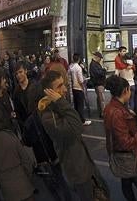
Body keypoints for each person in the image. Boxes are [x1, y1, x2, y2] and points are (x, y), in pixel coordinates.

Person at [38, 70, 101, 201]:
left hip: (84, 163)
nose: (65, 89)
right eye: (59, 86)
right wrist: (61, 101)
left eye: (64, 84)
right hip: (76, 169)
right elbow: (77, 126)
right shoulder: (48, 116)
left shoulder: (58, 107)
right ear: (49, 92)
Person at [104, 75, 137, 201]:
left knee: (126, 182)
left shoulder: (111, 107)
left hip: (119, 153)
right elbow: (126, 142)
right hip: (129, 155)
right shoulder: (118, 112)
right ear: (125, 91)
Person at [0, 103, 36, 201]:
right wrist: (27, 175)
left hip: (8, 191)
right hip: (24, 184)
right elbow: (26, 160)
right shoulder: (10, 136)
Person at [69, 53, 91, 126]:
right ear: (79, 59)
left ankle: (77, 120)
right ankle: (82, 121)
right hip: (79, 88)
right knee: (80, 106)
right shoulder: (78, 67)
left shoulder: (71, 67)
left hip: (73, 88)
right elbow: (81, 80)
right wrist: (84, 83)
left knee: (76, 106)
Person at [89, 51, 107, 118]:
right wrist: (104, 70)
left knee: (99, 99)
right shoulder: (93, 64)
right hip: (99, 84)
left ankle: (101, 112)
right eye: (100, 58)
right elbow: (99, 73)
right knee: (102, 99)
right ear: (97, 57)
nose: (100, 60)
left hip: (99, 83)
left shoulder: (95, 64)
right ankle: (103, 113)